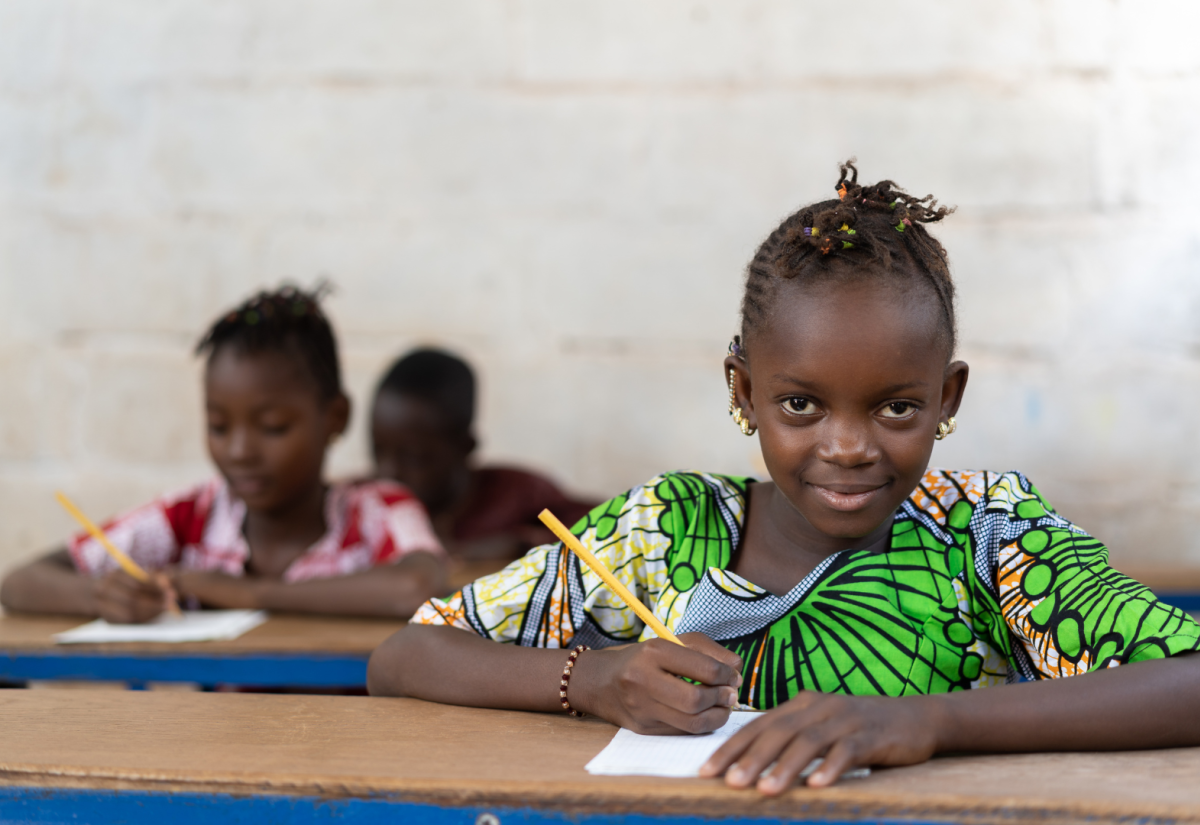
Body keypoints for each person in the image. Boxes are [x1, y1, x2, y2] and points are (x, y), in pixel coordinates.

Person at [367, 163, 1200, 793]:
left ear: (947, 397)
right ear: (743, 390)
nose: (846, 447)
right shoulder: (660, 529)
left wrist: (926, 719)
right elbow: (405, 656)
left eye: (896, 409)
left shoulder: (986, 533)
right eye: (801, 404)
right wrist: (587, 677)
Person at [1, 286, 446, 623]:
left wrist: (250, 594)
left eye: (273, 427)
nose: (239, 451)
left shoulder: (377, 510)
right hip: (215, 742)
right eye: (218, 426)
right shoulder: (189, 516)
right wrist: (100, 595)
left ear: (335, 417)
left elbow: (418, 586)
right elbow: (19, 583)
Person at [370, 348, 595, 564]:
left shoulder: (518, 495)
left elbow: (606, 534)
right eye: (377, 450)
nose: (389, 472)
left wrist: (523, 544)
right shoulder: (362, 503)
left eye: (414, 459)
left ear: (465, 447)